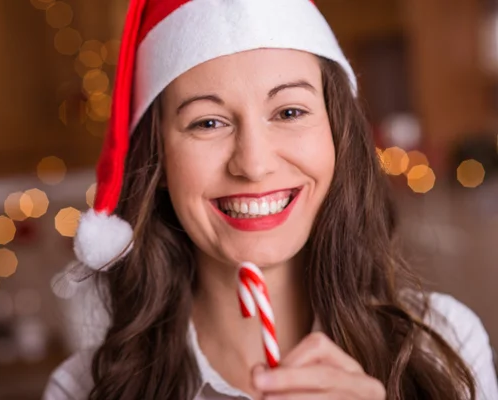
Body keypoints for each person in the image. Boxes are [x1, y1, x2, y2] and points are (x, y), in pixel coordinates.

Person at [43, 0, 498, 399]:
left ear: (336, 135)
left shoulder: (445, 345)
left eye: (289, 112)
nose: (254, 165)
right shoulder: (83, 389)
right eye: (207, 122)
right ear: (158, 158)